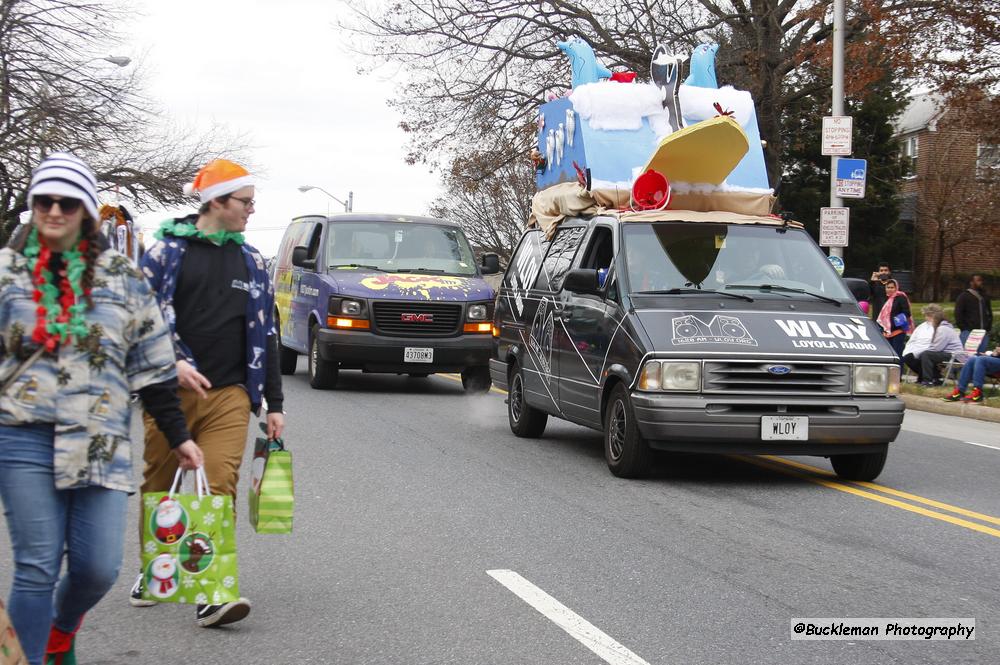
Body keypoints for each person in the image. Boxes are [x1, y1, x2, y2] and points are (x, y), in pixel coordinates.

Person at [0, 153, 201, 665]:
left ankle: (60, 632)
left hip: (100, 438)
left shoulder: (123, 278)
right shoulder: (7, 272)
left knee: (98, 568)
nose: (54, 211)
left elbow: (153, 366)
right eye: (43, 200)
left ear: (87, 211)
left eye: (67, 202)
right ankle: (29, 657)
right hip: (23, 435)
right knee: (37, 566)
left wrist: (179, 437)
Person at [133, 159, 285, 627]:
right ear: (216, 202)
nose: (251, 211)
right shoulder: (164, 254)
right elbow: (141, 320)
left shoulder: (252, 262)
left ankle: (212, 591)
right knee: (160, 485)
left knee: (217, 485)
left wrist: (274, 403)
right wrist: (172, 360)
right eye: (245, 202)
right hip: (167, 392)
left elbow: (268, 333)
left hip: (231, 394)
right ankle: (157, 567)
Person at [901, 304, 965, 385]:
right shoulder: (940, 327)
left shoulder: (943, 328)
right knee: (921, 355)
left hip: (955, 355)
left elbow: (937, 347)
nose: (926, 319)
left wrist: (922, 352)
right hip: (948, 353)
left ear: (935, 317)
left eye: (929, 316)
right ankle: (933, 378)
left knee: (926, 355)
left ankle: (928, 381)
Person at [954, 274, 993, 354]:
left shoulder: (984, 297)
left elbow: (989, 312)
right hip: (969, 332)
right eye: (978, 280)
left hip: (983, 333)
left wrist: (988, 327)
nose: (981, 282)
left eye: (981, 280)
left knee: (980, 356)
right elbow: (958, 314)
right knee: (967, 356)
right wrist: (964, 328)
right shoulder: (964, 296)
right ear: (971, 282)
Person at [876, 278, 912, 361]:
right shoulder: (887, 299)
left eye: (892, 287)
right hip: (887, 332)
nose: (890, 289)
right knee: (888, 355)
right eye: (888, 287)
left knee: (897, 355)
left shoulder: (901, 297)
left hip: (898, 331)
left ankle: (899, 373)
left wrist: (895, 323)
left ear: (896, 288)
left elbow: (906, 313)